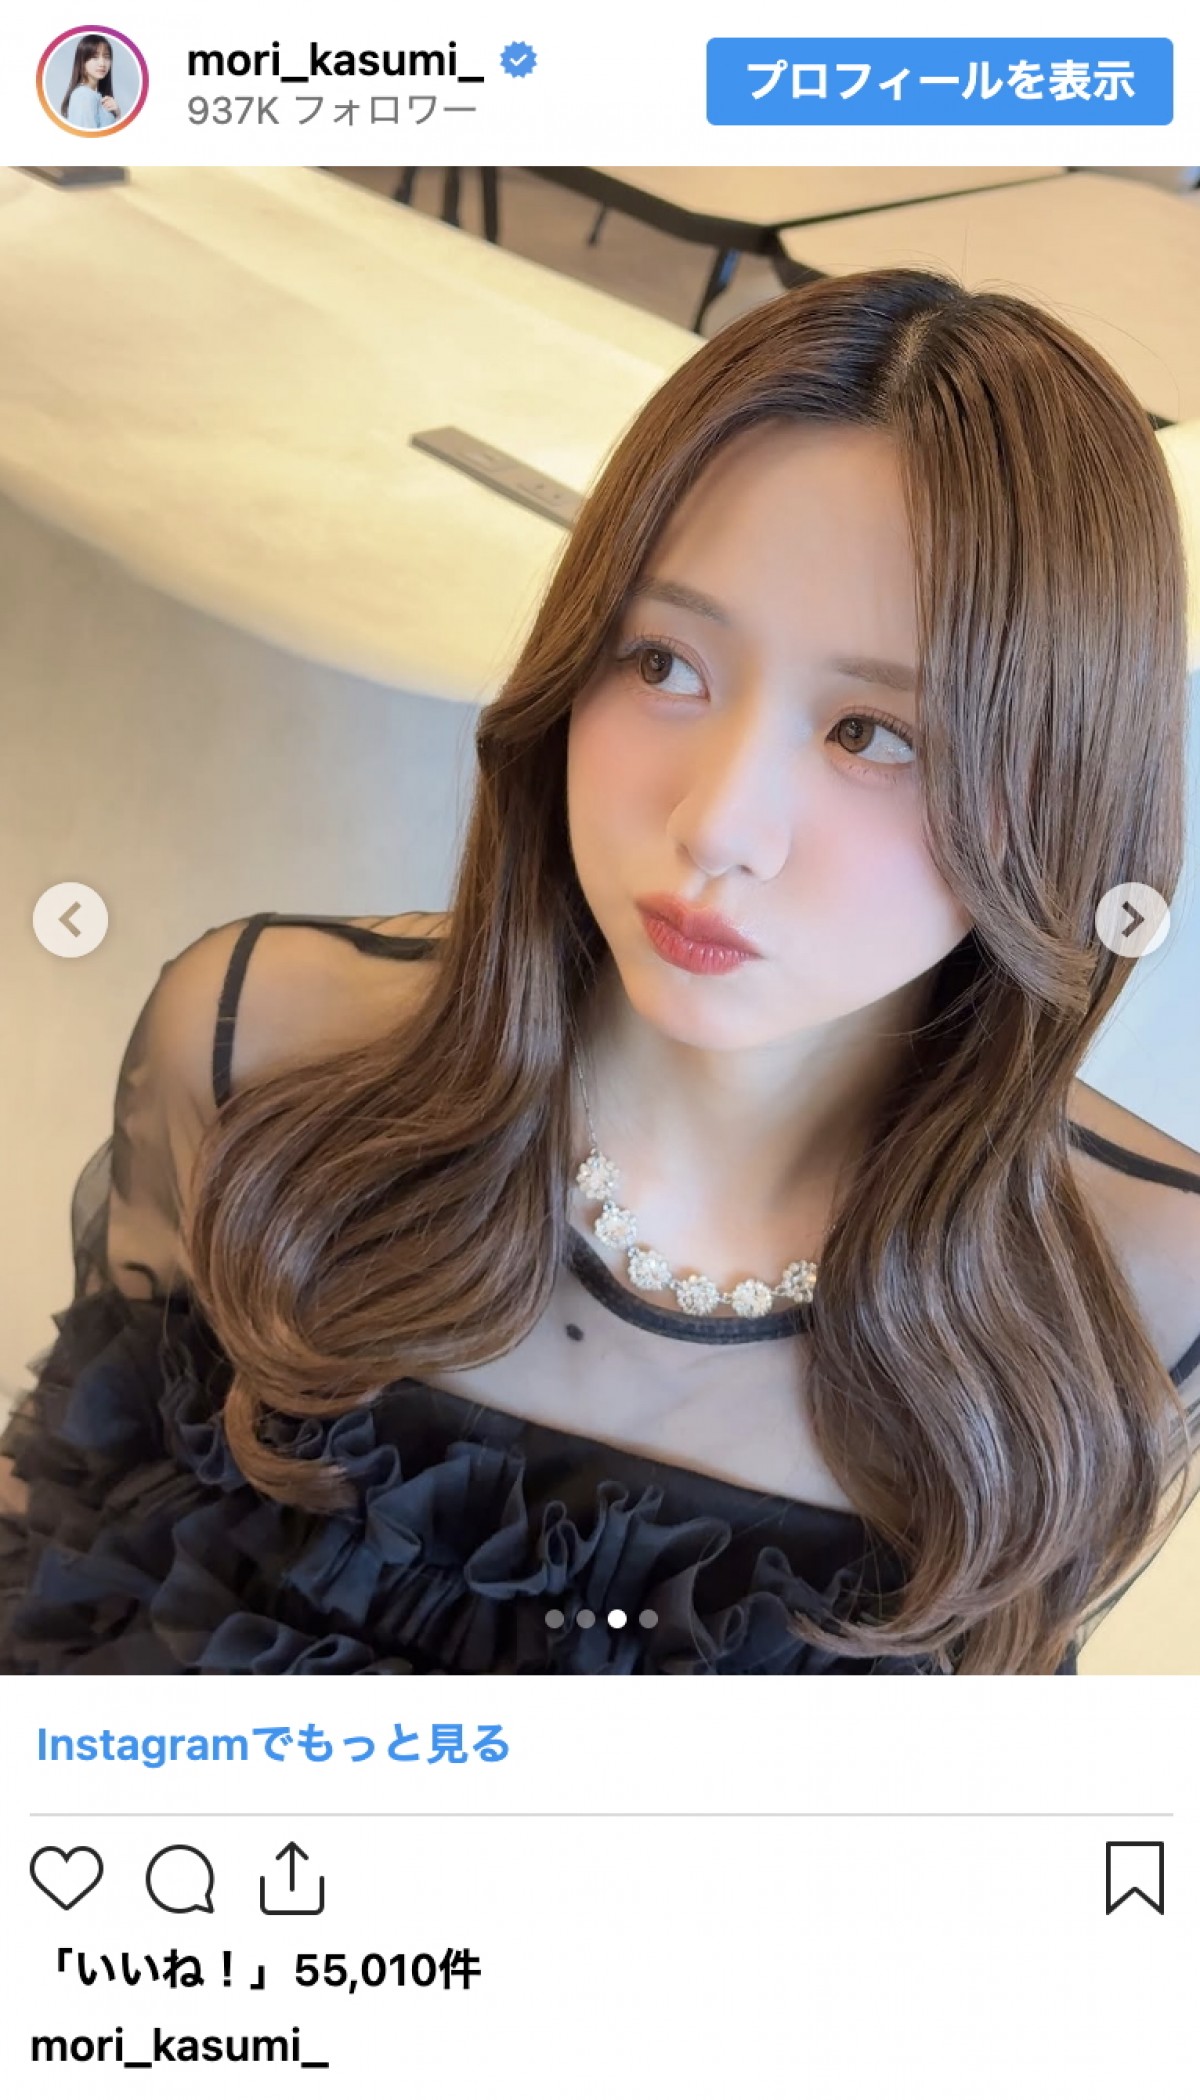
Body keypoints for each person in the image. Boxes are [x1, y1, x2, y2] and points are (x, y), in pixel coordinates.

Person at [2, 267, 1198, 1676]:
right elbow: (68, 1574)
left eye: (874, 734)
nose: (716, 825)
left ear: (1060, 788)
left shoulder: (1132, 1295)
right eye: (664, 661)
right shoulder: (263, 1052)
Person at [61, 36, 121, 129]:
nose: (102, 63)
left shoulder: (96, 96)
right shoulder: (84, 95)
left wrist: (117, 114)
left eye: (106, 57)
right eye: (95, 57)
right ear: (82, 61)